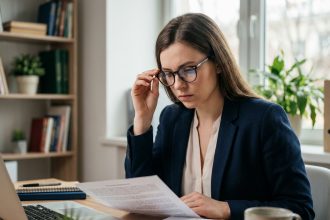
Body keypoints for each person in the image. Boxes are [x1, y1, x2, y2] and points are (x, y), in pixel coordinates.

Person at [125, 13, 314, 220]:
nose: (178, 85)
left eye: (188, 70)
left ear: (218, 63)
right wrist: (142, 119)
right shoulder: (173, 119)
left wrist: (227, 209)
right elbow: (142, 197)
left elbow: (300, 209)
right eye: (168, 74)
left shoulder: (264, 119)